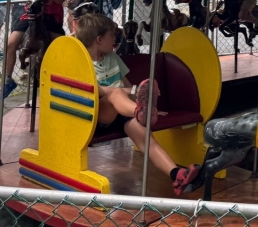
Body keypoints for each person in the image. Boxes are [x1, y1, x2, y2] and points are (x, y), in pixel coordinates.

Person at [76, 13, 197, 195]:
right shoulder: (82, 64)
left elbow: (126, 85)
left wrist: (142, 101)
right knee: (115, 93)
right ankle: (141, 112)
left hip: (124, 113)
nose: (116, 39)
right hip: (97, 116)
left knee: (147, 138)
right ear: (99, 40)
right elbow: (102, 91)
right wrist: (134, 94)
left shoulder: (113, 58)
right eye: (112, 36)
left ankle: (177, 175)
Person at [0, 0, 69, 100]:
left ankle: (60, 76)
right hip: (31, 16)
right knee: (11, 43)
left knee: (60, 46)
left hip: (51, 18)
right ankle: (8, 79)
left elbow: (61, 0)